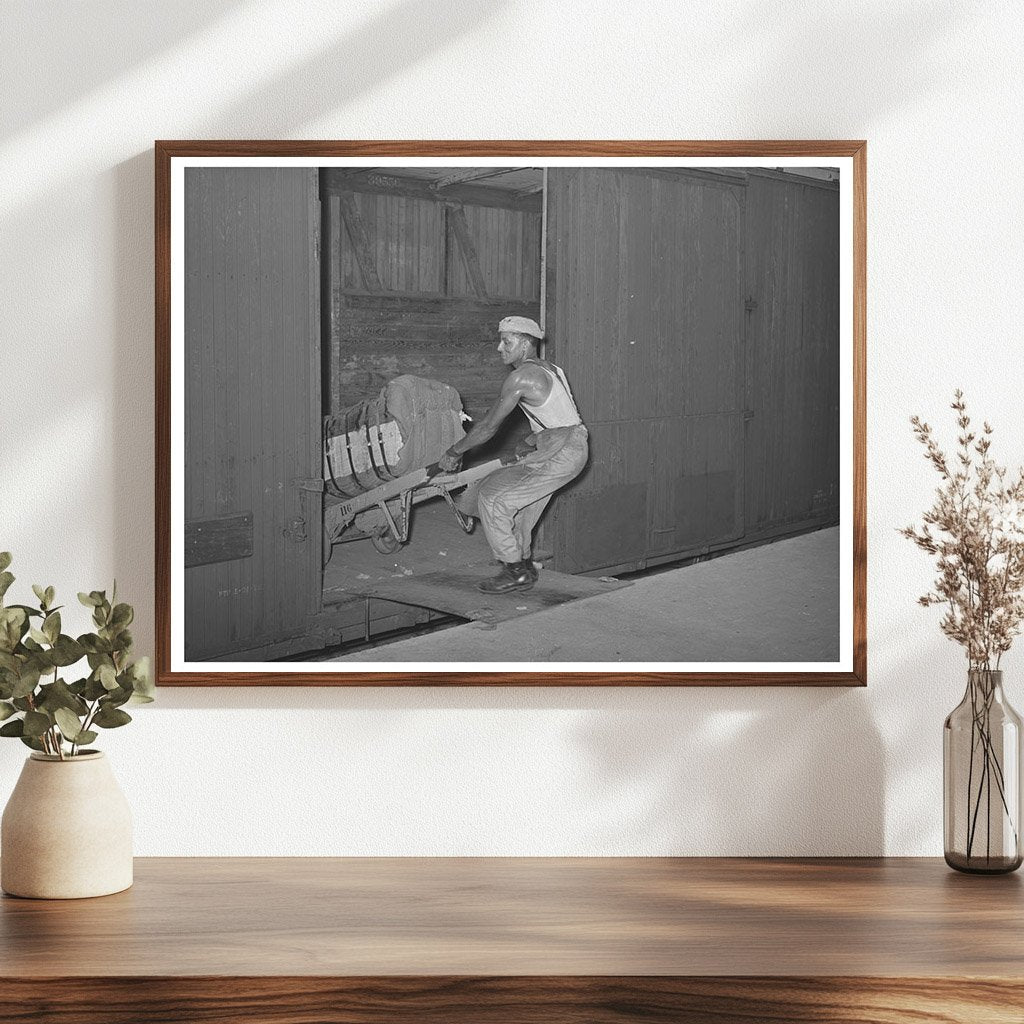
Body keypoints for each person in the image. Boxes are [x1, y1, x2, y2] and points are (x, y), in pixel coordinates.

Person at [438, 316, 589, 593]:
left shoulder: (521, 377)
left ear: (525, 344)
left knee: (494, 499)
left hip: (562, 449)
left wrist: (454, 451)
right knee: (522, 504)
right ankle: (523, 563)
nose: (499, 348)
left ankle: (515, 571)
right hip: (567, 444)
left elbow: (488, 426)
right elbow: (561, 417)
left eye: (506, 342)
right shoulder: (552, 369)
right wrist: (530, 440)